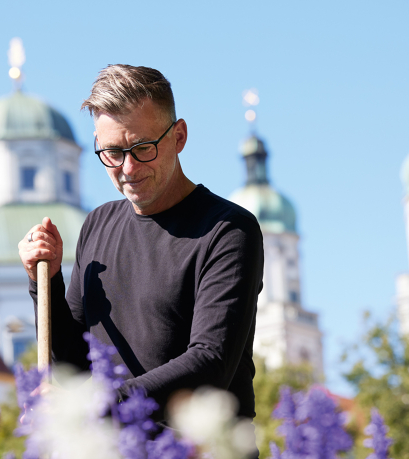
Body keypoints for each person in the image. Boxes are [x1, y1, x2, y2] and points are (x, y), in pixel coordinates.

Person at [17, 65, 263, 431]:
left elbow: (210, 363)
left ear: (179, 136)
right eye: (112, 152)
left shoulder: (229, 231)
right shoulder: (97, 224)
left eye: (143, 148)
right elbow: (73, 361)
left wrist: (98, 404)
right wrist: (47, 281)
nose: (128, 168)